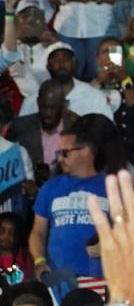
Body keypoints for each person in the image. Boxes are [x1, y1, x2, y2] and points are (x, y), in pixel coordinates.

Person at [30, 113, 114, 287]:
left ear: (86, 151)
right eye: (58, 153)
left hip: (100, 278)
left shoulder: (112, 186)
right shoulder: (50, 188)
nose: (60, 158)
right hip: (59, 278)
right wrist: (39, 261)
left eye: (65, 153)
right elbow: (38, 232)